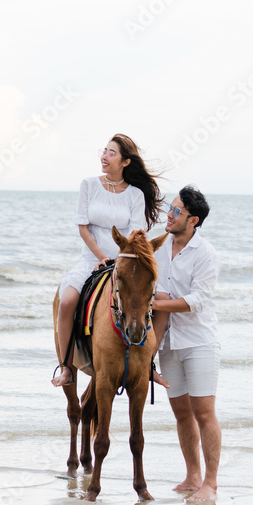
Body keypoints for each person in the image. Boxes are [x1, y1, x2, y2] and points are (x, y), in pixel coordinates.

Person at [51, 133, 164, 387]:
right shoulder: (89, 185)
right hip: (89, 260)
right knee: (67, 301)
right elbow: (83, 227)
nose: (105, 156)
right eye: (104, 150)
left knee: (147, 302)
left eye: (111, 153)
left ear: (125, 162)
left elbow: (135, 237)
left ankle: (147, 363)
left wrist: (117, 261)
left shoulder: (135, 195)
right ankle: (66, 367)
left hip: (122, 263)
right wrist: (101, 257)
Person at [150, 185, 221, 502]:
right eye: (170, 208)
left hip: (199, 342)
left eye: (176, 211)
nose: (169, 214)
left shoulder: (206, 253)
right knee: (181, 413)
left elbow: (198, 300)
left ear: (193, 220)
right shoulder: (159, 248)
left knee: (204, 413)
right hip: (167, 343)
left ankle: (210, 483)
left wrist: (157, 306)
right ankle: (192, 476)